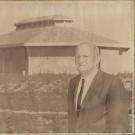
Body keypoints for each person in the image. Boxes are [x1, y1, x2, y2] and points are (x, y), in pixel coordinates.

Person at [68, 42, 129, 133]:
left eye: (85, 56)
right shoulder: (73, 83)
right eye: (78, 57)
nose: (80, 60)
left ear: (97, 59)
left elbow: (119, 127)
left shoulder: (113, 83)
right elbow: (72, 121)